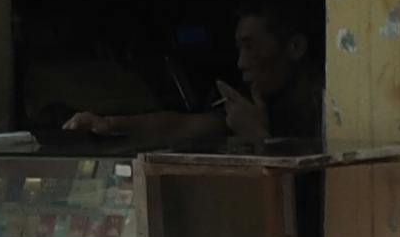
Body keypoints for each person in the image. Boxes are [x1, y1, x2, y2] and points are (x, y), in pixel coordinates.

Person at [64, 8, 318, 152]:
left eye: (251, 48)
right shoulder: (248, 103)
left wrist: (258, 136)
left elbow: (307, 189)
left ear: (294, 47)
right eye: (239, 50)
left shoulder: (324, 109)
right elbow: (178, 128)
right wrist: (109, 125)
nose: (241, 63)